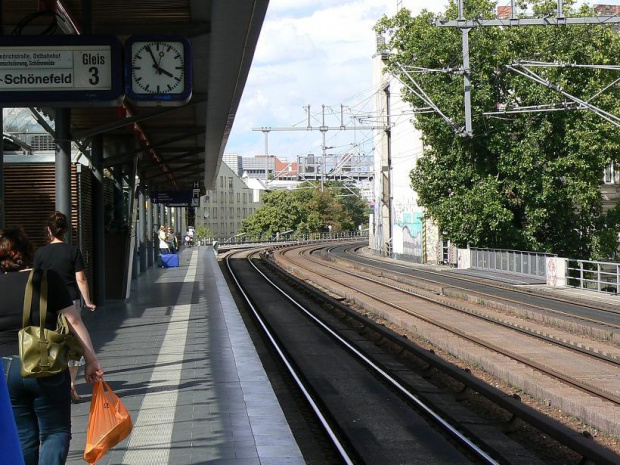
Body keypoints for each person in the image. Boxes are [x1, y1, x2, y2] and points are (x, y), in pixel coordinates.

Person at [0, 226, 103, 465]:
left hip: (5, 369)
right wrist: (91, 359)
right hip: (44, 363)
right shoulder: (47, 279)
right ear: (29, 252)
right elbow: (73, 320)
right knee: (55, 431)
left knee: (23, 435)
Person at [34, 212, 96, 404]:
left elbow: (35, 279)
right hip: (70, 301)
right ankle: (70, 384)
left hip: (47, 302)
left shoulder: (40, 253)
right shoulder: (72, 251)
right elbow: (81, 279)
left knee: (53, 339)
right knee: (74, 343)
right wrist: (88, 301)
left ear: (48, 230)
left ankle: (54, 382)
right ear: (66, 231)